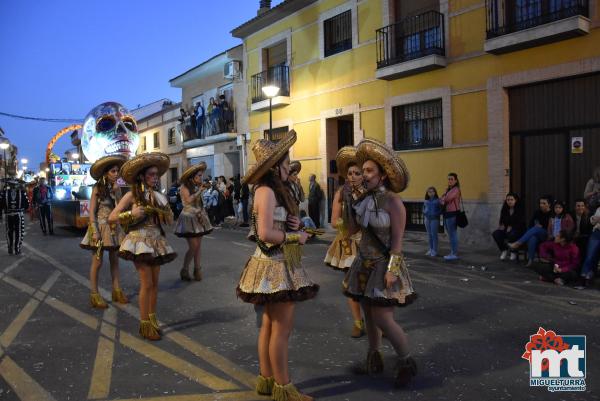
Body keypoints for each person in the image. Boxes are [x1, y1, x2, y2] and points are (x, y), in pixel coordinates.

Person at [236, 130, 319, 400]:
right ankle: (284, 388)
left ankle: (267, 380)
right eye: (285, 164)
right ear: (274, 167)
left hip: (271, 263)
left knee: (270, 326)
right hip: (275, 266)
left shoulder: (266, 190)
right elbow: (265, 234)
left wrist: (292, 224)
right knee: (281, 330)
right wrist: (297, 236)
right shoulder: (268, 192)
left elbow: (272, 226)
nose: (288, 167)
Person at [343, 138, 417, 388]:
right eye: (363, 170)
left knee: (384, 318)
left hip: (384, 265)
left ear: (383, 176)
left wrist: (392, 272)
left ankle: (406, 362)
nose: (364, 175)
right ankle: (374, 359)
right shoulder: (363, 199)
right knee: (368, 315)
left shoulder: (393, 202)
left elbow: (397, 242)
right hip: (363, 264)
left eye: (369, 170)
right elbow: (352, 230)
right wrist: (347, 201)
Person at [109, 152, 176, 341]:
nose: (155, 178)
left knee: (154, 285)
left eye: (156, 175)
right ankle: (144, 324)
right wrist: (132, 214)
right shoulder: (131, 195)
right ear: (142, 176)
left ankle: (152, 320)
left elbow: (170, 220)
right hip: (138, 243)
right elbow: (112, 217)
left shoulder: (158, 197)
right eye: (151, 175)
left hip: (156, 241)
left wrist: (166, 214)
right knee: (146, 284)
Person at [324, 146, 366, 338]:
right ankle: (358, 321)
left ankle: (377, 321)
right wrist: (344, 224)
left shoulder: (371, 193)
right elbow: (333, 220)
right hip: (348, 245)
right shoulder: (341, 193)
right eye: (349, 173)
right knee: (353, 286)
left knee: (371, 285)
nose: (352, 176)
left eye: (357, 172)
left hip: (368, 244)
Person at [80, 155, 129, 309]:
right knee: (98, 262)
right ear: (106, 173)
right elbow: (92, 213)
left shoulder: (116, 187)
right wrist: (95, 232)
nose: (116, 174)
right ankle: (94, 294)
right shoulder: (97, 188)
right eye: (113, 171)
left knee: (115, 261)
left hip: (114, 230)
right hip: (100, 229)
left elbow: (120, 207)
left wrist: (117, 192)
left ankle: (117, 291)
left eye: (117, 171)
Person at [174, 162, 213, 281]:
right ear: (192, 177)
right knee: (193, 246)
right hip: (188, 218)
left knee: (198, 246)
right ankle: (185, 269)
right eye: (199, 176)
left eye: (201, 175)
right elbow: (188, 201)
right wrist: (199, 191)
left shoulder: (197, 186)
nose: (201, 178)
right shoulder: (184, 188)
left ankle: (197, 269)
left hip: (199, 217)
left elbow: (199, 202)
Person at [509, 195, 553, 267]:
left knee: (536, 229)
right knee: (532, 237)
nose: (541, 205)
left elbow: (551, 227)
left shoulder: (552, 213)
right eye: (540, 203)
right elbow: (530, 224)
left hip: (547, 234)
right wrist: (536, 226)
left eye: (544, 203)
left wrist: (540, 227)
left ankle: (518, 243)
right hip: (536, 234)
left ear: (549, 204)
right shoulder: (537, 212)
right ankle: (530, 260)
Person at [492, 192, 526, 261]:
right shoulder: (505, 209)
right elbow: (502, 219)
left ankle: (513, 251)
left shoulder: (520, 209)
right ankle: (504, 250)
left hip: (518, 230)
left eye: (511, 199)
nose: (509, 201)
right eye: (508, 200)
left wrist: (512, 226)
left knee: (512, 233)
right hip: (506, 229)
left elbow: (521, 222)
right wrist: (502, 225)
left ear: (515, 200)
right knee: (496, 233)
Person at [0, 178, 29, 255]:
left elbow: (1, 204)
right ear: (16, 185)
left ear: (9, 185)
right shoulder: (22, 192)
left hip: (8, 215)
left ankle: (10, 248)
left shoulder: (4, 192)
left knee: (9, 232)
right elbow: (27, 204)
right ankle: (17, 249)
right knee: (19, 232)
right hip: (18, 215)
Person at [439, 173, 462, 261]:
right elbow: (442, 199)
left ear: (456, 180)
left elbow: (446, 199)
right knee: (451, 234)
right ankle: (452, 252)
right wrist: (443, 198)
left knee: (453, 234)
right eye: (448, 179)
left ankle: (454, 253)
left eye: (451, 179)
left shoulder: (456, 189)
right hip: (447, 213)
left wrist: (443, 198)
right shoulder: (448, 189)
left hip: (452, 213)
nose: (449, 181)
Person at [578, 205, 600, 288]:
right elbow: (592, 221)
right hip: (596, 232)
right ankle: (583, 277)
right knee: (590, 255)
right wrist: (593, 219)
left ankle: (590, 276)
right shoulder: (598, 208)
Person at [423, 187, 442, 257]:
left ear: (435, 192)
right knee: (429, 235)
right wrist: (424, 212)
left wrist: (436, 214)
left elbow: (441, 210)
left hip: (434, 220)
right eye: (429, 192)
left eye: (432, 191)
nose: (431, 193)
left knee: (434, 235)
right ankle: (430, 249)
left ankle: (435, 250)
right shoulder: (426, 201)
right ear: (427, 193)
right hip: (427, 219)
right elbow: (423, 208)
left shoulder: (437, 201)